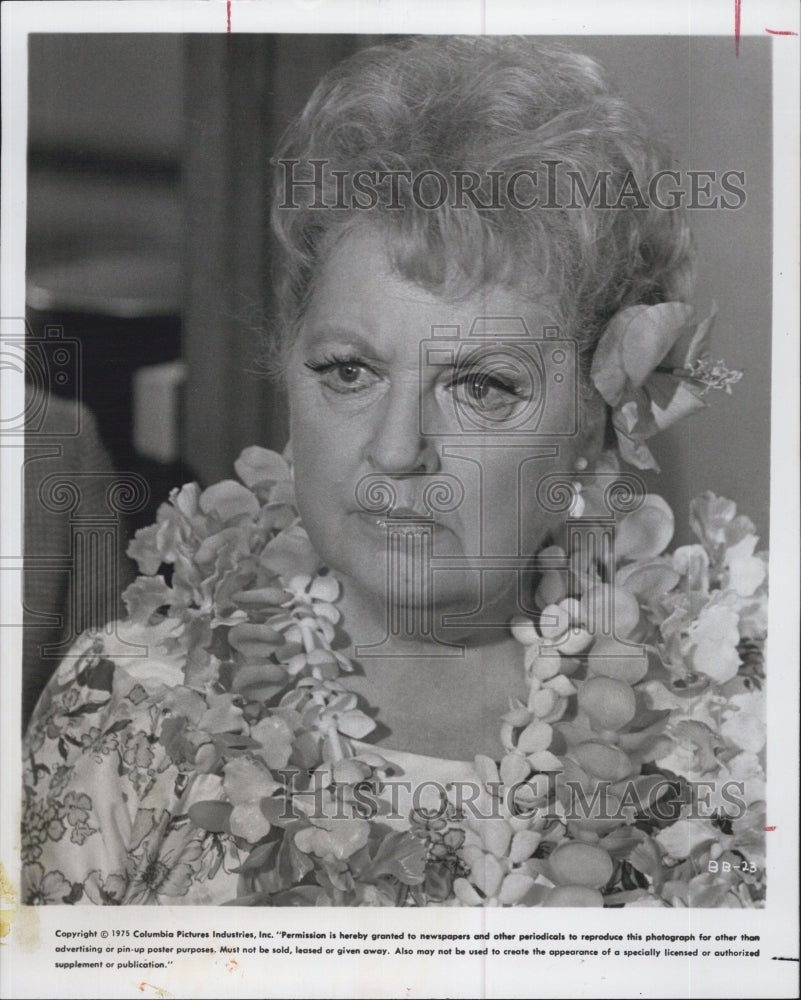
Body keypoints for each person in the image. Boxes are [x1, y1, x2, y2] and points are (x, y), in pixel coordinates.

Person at [21, 36, 765, 908]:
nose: (393, 450)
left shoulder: (733, 734)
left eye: (481, 386)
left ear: (593, 434)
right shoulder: (121, 704)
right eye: (349, 370)